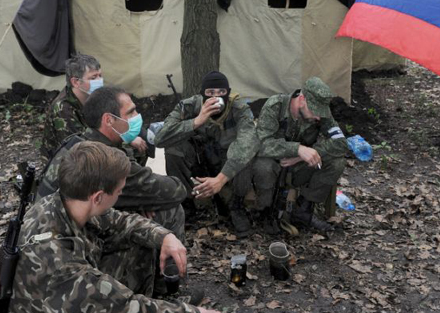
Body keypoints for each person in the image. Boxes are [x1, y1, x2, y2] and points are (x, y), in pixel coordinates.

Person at [1, 141, 222, 313]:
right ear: (97, 197)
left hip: (61, 303)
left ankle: (159, 312)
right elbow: (126, 312)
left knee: (137, 242)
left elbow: (121, 221)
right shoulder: (57, 261)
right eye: (118, 191)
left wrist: (164, 237)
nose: (121, 194)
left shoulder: (66, 200)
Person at [37, 86, 187, 244]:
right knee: (170, 211)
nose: (137, 117)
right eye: (130, 112)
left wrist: (141, 200)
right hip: (69, 246)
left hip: (53, 232)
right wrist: (146, 200)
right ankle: (170, 268)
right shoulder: (105, 159)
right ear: (108, 120)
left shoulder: (79, 141)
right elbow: (176, 190)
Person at [154, 71, 260, 238]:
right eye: (210, 93)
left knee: (245, 153)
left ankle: (236, 207)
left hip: (226, 164)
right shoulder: (189, 106)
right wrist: (196, 121)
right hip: (198, 161)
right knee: (174, 148)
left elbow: (248, 143)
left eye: (221, 93)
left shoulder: (239, 108)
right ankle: (185, 205)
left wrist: (221, 179)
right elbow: (160, 138)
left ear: (228, 92)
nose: (216, 97)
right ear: (202, 94)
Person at [253, 77, 347, 232]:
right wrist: (297, 149)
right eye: (315, 111)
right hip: (275, 166)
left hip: (299, 167)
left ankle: (303, 210)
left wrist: (310, 152)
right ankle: (264, 209)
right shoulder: (275, 106)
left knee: (337, 162)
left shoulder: (322, 112)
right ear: (301, 99)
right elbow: (262, 144)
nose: (318, 117)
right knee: (263, 166)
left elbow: (341, 143)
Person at [40, 53, 148, 162]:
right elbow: (79, 147)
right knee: (128, 153)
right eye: (93, 77)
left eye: (100, 75)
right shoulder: (63, 108)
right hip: (66, 162)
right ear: (76, 82)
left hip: (91, 146)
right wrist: (127, 141)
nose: (99, 80)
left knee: (141, 142)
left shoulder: (94, 96)